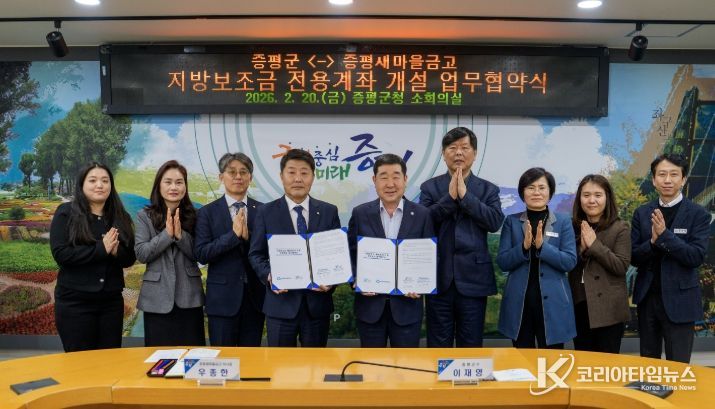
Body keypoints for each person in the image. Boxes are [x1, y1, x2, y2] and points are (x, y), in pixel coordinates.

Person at [419, 127, 504, 347]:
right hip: (438, 278)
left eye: (464, 148)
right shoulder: (429, 187)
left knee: (471, 344)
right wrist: (449, 198)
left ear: (474, 153)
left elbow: (494, 222)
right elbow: (423, 223)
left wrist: (466, 197)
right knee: (438, 345)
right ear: (443, 153)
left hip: (474, 279)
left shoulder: (488, 189)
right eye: (452, 148)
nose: (458, 153)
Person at [249, 149, 341, 347]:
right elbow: (256, 254)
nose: (298, 178)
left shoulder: (328, 211)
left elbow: (336, 255)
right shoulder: (265, 212)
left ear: (313, 177)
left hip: (317, 306)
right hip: (280, 306)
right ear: (282, 176)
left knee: (316, 362)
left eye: (304, 173)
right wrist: (269, 275)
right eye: (291, 172)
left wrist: (331, 280)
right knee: (280, 364)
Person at [347, 154, 435, 347]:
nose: (390, 184)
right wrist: (357, 280)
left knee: (404, 363)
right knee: (370, 363)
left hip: (407, 308)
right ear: (374, 180)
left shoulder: (422, 215)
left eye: (396, 176)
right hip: (370, 307)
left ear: (405, 179)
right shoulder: (360, 213)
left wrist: (421, 284)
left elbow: (430, 257)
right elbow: (350, 254)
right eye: (383, 177)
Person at [631, 154, 710, 363]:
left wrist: (664, 237)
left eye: (674, 174)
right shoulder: (642, 213)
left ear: (683, 179)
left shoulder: (698, 214)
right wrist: (652, 243)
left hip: (681, 300)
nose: (667, 180)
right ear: (654, 180)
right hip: (648, 299)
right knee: (649, 364)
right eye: (662, 174)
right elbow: (634, 257)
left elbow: (695, 256)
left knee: (678, 365)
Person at [50, 162, 136, 352]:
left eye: (105, 180)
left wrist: (116, 252)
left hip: (111, 303)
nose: (100, 185)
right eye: (93, 180)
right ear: (82, 184)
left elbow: (129, 258)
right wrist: (101, 249)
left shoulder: (120, 217)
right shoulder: (66, 213)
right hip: (74, 303)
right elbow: (61, 254)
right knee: (81, 362)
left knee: (108, 360)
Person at [497, 167, 577, 349]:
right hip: (519, 304)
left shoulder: (563, 221)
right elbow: (503, 261)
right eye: (531, 187)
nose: (536, 192)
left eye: (542, 187)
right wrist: (523, 248)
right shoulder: (511, 221)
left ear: (550, 192)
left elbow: (569, 261)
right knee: (522, 358)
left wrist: (543, 247)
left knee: (552, 359)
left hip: (554, 303)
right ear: (522, 192)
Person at [195, 153, 265, 347]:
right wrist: (233, 236)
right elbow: (201, 253)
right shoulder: (206, 212)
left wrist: (248, 237)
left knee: (251, 360)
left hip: (255, 299)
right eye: (232, 172)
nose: (238, 177)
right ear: (221, 177)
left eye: (243, 172)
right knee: (222, 359)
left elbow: (270, 251)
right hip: (222, 300)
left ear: (250, 177)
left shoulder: (264, 210)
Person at [135, 160, 205, 346]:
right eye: (168, 182)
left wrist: (181, 236)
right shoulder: (144, 216)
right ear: (159, 185)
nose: (174, 187)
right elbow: (142, 253)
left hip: (189, 296)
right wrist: (167, 235)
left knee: (192, 355)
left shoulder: (197, 215)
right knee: (158, 356)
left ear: (185, 186)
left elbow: (199, 254)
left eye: (179, 182)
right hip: (156, 298)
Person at [568, 174, 630, 353]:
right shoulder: (571, 227)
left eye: (598, 195)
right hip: (580, 304)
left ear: (607, 197)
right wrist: (581, 250)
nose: (591, 200)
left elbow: (621, 266)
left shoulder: (620, 227)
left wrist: (594, 245)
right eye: (586, 195)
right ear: (579, 199)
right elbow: (565, 262)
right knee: (583, 362)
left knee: (607, 364)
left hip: (609, 309)